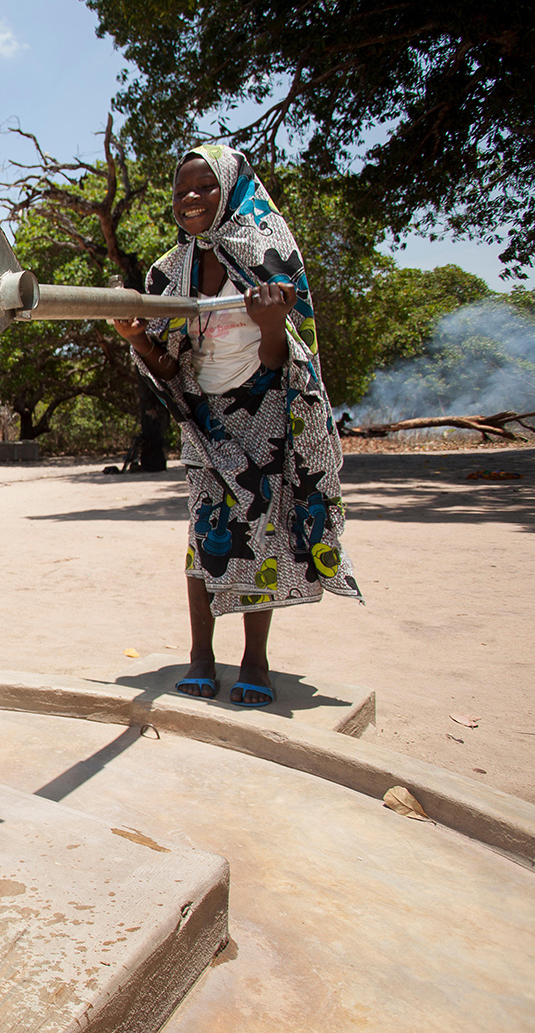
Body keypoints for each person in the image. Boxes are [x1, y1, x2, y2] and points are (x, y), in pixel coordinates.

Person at [111, 145, 362, 707]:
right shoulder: (167, 272)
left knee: (262, 530)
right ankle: (202, 655)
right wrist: (137, 339)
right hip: (204, 417)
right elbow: (171, 367)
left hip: (267, 409)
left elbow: (284, 358)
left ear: (229, 191)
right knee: (205, 536)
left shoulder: (267, 255)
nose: (191, 199)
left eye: (203, 188)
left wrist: (271, 323)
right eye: (181, 192)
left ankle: (254, 660)